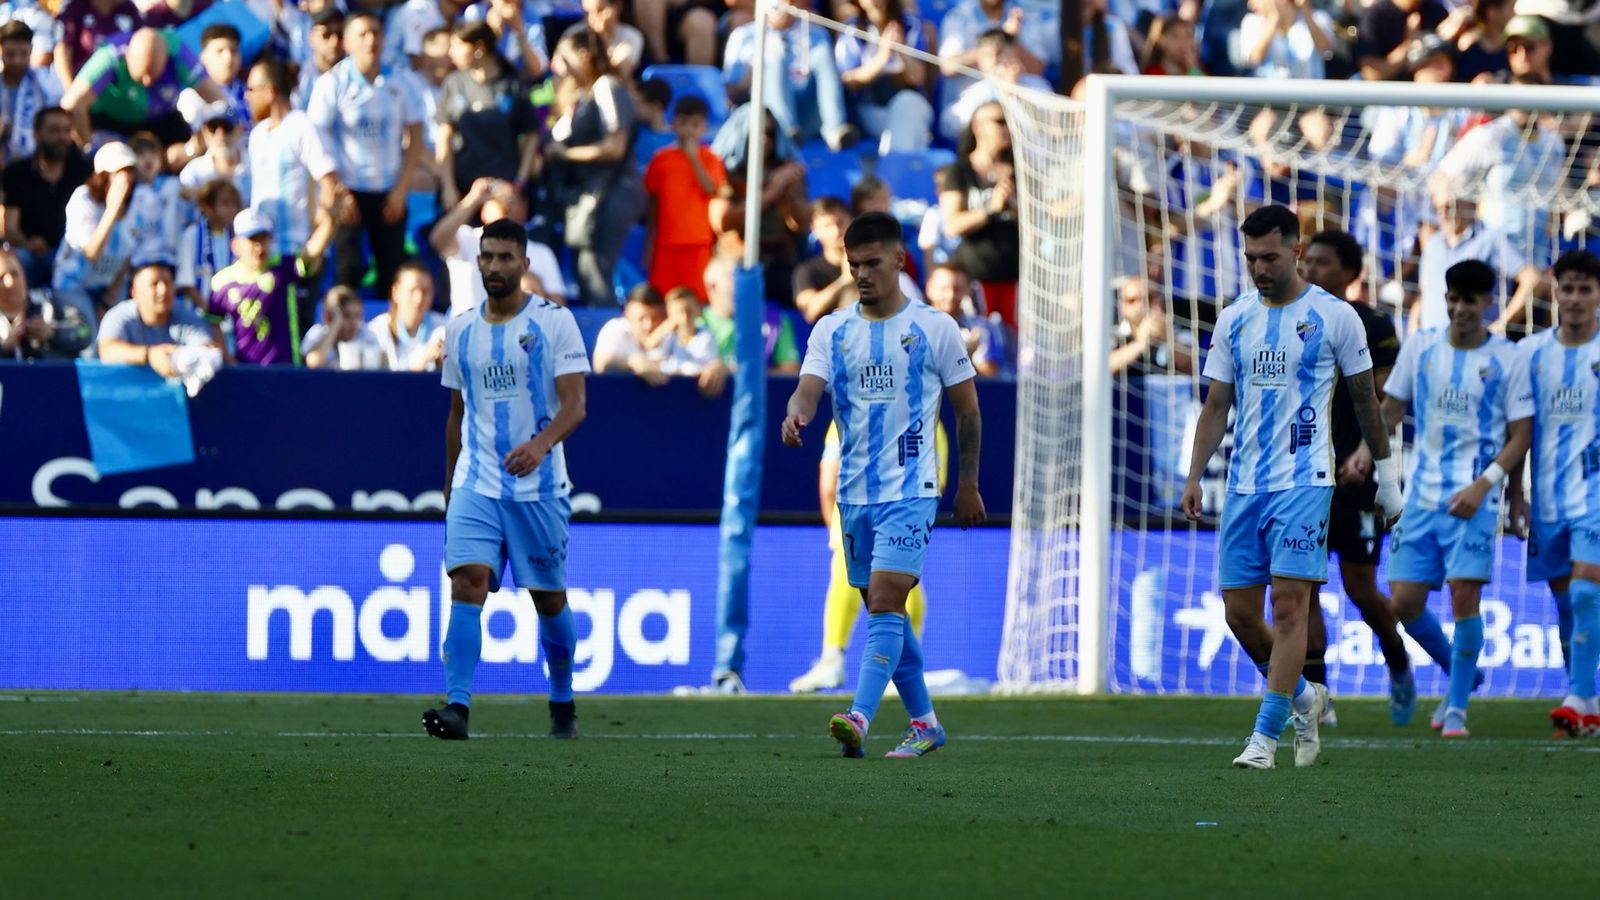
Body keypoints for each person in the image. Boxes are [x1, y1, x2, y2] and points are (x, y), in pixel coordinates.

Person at [1180, 205, 1402, 769]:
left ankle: (1264, 738)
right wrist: (1193, 476)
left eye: (1270, 256)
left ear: (1296, 252)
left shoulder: (1336, 318)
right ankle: (1304, 695)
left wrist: (1389, 478)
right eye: (1251, 258)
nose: (1259, 267)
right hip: (1246, 484)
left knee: (1288, 606)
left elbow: (1364, 403)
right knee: (1238, 614)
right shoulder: (1234, 319)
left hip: (1307, 480)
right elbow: (1215, 406)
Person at [781, 211, 987, 759]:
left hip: (913, 489)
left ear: (899, 260)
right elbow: (808, 387)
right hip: (854, 494)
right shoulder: (833, 329)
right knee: (882, 609)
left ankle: (859, 716)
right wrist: (796, 413)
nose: (864, 274)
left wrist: (967, 484)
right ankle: (925, 723)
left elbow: (968, 413)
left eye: (874, 263)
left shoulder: (934, 328)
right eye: (855, 266)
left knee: (890, 597)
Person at [424, 217, 590, 742]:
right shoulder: (460, 329)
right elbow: (456, 415)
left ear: (525, 263)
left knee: (549, 601)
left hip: (538, 488)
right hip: (477, 481)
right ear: (477, 263)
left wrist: (540, 446)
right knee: (467, 582)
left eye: (505, 257)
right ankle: (458, 706)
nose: (495, 266)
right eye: (487, 257)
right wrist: (451, 489)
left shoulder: (554, 322)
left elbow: (576, 405)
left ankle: (562, 699)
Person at [1382, 259, 1532, 738]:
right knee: (1403, 603)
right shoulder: (1421, 346)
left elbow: (1520, 434)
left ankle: (1458, 710)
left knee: (1464, 596)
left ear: (1489, 302)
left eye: (1470, 300)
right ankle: (1462, 671)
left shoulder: (1508, 358)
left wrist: (1485, 485)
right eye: (1453, 298)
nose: (1460, 308)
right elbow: (1390, 409)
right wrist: (1367, 454)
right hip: (1421, 496)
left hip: (1476, 497)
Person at [1298, 229, 1412, 727]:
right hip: (1303, 476)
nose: (1310, 270)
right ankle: (1320, 697)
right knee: (1301, 587)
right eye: (1308, 262)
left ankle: (1398, 661)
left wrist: (1367, 452)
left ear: (1350, 273)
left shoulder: (1373, 323)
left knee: (1361, 590)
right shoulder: (1292, 319)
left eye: (1322, 263)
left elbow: (1387, 401)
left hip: (1356, 477)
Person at [788, 416, 946, 693]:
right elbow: (933, 487)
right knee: (903, 588)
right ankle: (902, 671)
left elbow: (829, 482)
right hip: (902, 518)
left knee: (849, 573)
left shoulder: (847, 411)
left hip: (856, 515)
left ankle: (833, 659)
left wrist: (837, 529)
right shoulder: (929, 416)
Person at [1514, 249, 1600, 737]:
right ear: (1555, 291)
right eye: (1567, 288)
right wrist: (1513, 494)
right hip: (1546, 497)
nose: (1574, 298)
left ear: (1598, 295)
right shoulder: (1530, 353)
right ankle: (1584, 699)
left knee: (1588, 592)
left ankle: (1575, 696)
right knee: (1567, 604)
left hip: (1596, 496)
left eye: (1585, 289)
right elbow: (1518, 429)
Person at [308, 11, 426, 299]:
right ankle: (342, 332)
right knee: (347, 271)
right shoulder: (332, 83)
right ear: (347, 41)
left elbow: (416, 134)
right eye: (362, 34)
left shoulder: (400, 81)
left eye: (376, 32)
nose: (371, 40)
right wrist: (336, 189)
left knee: (392, 270)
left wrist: (401, 188)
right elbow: (316, 138)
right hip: (348, 191)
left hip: (389, 190)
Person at [544, 26, 645, 307]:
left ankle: (607, 343)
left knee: (596, 273)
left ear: (584, 55)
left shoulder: (607, 87)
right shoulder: (581, 96)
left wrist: (566, 154)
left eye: (565, 57)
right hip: (588, 196)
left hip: (610, 194)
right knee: (585, 273)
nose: (557, 65)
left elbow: (615, 146)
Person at [245, 55, 338, 330]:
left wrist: (317, 244)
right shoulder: (257, 134)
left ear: (270, 92)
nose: (247, 96)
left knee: (297, 332)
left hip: (298, 255)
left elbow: (329, 183)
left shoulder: (302, 126)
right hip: (262, 256)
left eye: (252, 89)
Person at [60, 28, 225, 152]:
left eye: (153, 74)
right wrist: (90, 146)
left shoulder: (178, 52)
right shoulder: (109, 56)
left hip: (162, 120)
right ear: (127, 58)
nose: (147, 82)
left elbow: (218, 99)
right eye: (141, 76)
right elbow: (71, 104)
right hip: (111, 121)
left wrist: (196, 147)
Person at [205, 206, 333, 366]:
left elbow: (312, 252)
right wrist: (228, 359)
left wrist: (329, 221)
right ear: (235, 245)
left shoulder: (283, 267)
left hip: (286, 368)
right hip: (245, 372)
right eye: (252, 239)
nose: (259, 246)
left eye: (264, 238)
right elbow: (213, 322)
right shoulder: (221, 282)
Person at [722, 0, 856, 151]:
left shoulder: (815, 32)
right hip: (766, 118)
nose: (785, 4)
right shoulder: (743, 35)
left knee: (822, 52)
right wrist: (753, 73)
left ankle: (835, 130)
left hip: (809, 111)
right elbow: (728, 92)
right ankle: (785, 131)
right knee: (774, 58)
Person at [436, 21, 541, 211]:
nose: (451, 52)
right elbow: (444, 137)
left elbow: (531, 135)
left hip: (502, 187)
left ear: (479, 48)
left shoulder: (512, 85)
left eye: (457, 46)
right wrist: (448, 186)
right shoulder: (453, 83)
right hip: (462, 188)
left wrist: (520, 181)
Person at [429, 177, 568, 313]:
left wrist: (531, 285)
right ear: (484, 211)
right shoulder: (467, 238)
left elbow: (558, 309)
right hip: (469, 331)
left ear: (524, 209)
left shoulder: (541, 252)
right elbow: (437, 240)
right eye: (497, 200)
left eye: (513, 200)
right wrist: (474, 198)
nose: (506, 206)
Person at [643, 94, 725, 302]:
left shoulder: (710, 158)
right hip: (666, 245)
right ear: (673, 124)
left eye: (695, 124)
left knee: (699, 299)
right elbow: (653, 202)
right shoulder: (661, 159)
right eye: (684, 123)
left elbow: (711, 189)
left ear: (704, 127)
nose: (689, 130)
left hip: (698, 244)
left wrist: (693, 159)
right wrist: (650, 242)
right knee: (664, 299)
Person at [52, 140, 140, 327]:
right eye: (120, 174)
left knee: (117, 332)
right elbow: (91, 253)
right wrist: (112, 210)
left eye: (130, 173)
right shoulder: (83, 199)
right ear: (103, 175)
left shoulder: (136, 205)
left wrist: (107, 301)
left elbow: (127, 260)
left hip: (110, 288)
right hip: (74, 285)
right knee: (88, 341)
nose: (127, 181)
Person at [1, 106, 89, 288]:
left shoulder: (83, 171)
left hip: (75, 255)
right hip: (33, 254)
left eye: (66, 130)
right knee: (18, 259)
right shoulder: (17, 174)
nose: (62, 137)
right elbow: (9, 226)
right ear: (37, 134)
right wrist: (28, 243)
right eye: (54, 130)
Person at [835, 0, 935, 155]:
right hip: (871, 108)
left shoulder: (910, 24)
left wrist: (900, 48)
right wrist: (882, 56)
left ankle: (892, 169)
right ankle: (896, 169)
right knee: (911, 130)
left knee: (907, 104)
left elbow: (918, 77)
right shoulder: (852, 29)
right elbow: (849, 80)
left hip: (911, 103)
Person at [96, 258, 221, 374]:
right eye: (154, 284)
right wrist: (150, 355)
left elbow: (208, 347)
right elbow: (107, 351)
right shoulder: (118, 316)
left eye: (167, 283)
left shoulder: (185, 314)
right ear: (134, 291)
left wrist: (183, 357)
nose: (163, 290)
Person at [0, 245, 93, 360]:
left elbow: (85, 332)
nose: (10, 283)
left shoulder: (51, 301)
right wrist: (4, 347)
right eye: (1, 278)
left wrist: (52, 333)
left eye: (15, 274)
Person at [0, 21, 61, 167]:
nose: (17, 61)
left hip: (33, 166)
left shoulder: (45, 85)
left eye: (23, 54)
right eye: (10, 54)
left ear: (31, 50)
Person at [370, 259, 447, 371]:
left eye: (425, 291)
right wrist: (420, 363)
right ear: (396, 292)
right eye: (412, 290)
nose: (419, 298)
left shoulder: (445, 328)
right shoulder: (377, 331)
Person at [175, 178, 242, 307]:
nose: (231, 210)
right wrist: (209, 312)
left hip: (228, 312)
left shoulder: (236, 237)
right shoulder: (192, 234)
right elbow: (186, 281)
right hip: (197, 314)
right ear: (208, 206)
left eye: (234, 204)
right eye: (225, 204)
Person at [591, 280, 669, 383]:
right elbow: (601, 364)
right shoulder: (615, 328)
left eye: (655, 318)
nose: (648, 326)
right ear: (627, 316)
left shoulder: (671, 333)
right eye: (641, 319)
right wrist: (633, 362)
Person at [303, 284, 386, 369]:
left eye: (357, 316)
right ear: (328, 317)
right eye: (346, 316)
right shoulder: (317, 333)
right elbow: (314, 363)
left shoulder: (366, 333)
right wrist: (335, 324)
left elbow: (384, 363)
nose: (353, 323)